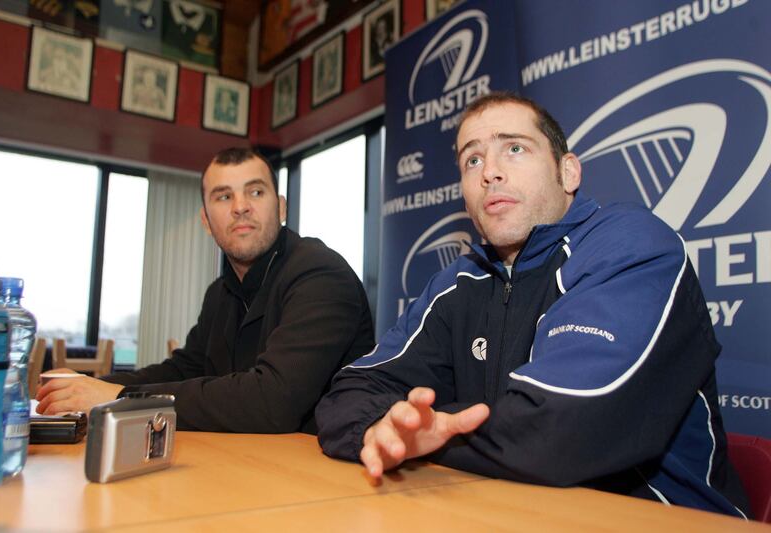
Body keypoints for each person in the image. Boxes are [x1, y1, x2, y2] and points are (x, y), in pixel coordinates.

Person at [315, 92, 750, 517]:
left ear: (568, 172)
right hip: (509, 510)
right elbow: (347, 396)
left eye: (515, 149)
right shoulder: (457, 282)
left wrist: (431, 435)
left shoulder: (630, 245)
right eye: (472, 160)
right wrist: (385, 428)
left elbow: (560, 432)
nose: (490, 172)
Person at [37, 147, 375, 434]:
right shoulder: (220, 292)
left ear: (282, 208)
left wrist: (118, 398)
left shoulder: (320, 273)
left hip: (321, 473)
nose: (240, 206)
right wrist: (87, 388)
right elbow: (185, 370)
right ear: (206, 221)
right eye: (224, 196)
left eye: (256, 192)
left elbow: (274, 401)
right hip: (249, 464)